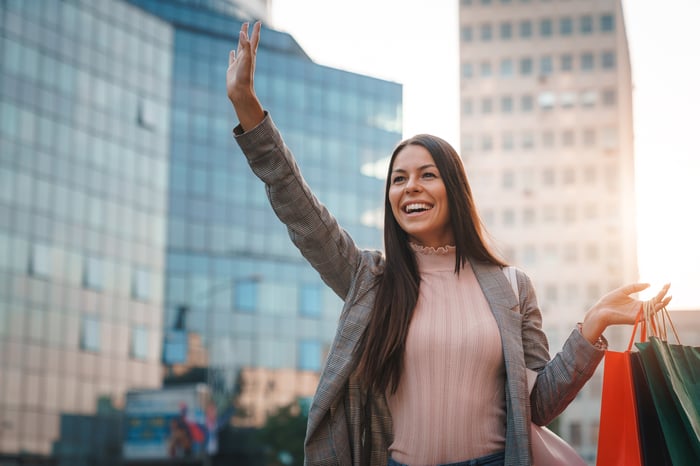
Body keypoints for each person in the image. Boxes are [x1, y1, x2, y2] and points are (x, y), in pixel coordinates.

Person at [226, 22, 672, 466]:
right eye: (398, 179)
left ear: (453, 189)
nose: (410, 188)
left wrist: (592, 325)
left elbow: (537, 406)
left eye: (426, 175)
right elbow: (304, 215)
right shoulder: (372, 281)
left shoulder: (512, 287)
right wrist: (249, 108)